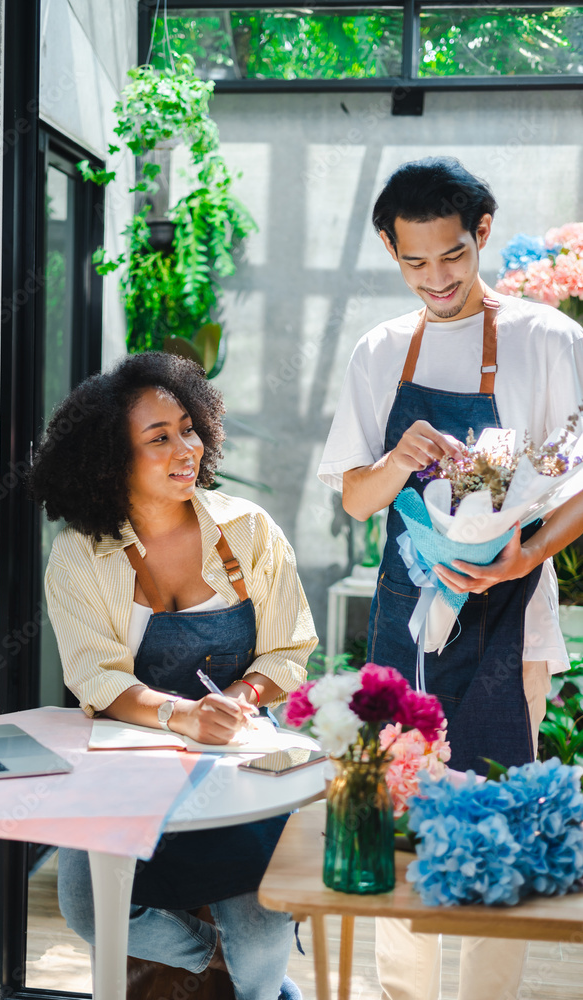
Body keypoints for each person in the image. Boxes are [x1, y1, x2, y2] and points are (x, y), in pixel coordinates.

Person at [318, 156, 583, 1000]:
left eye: (452, 257)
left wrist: (522, 556)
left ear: (483, 235)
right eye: (413, 262)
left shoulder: (549, 339)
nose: (435, 279)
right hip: (406, 619)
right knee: (405, 821)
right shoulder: (378, 351)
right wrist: (398, 456)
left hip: (513, 619)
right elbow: (359, 500)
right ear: (391, 253)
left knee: (496, 818)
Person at [29, 351, 317, 1000]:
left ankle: (261, 988)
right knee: (88, 907)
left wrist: (241, 700)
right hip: (126, 754)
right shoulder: (81, 554)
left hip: (240, 758)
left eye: (188, 428)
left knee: (263, 936)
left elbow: (289, 651)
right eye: (158, 438)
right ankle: (209, 959)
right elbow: (93, 676)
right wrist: (178, 714)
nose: (184, 448)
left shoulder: (249, 531)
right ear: (112, 459)